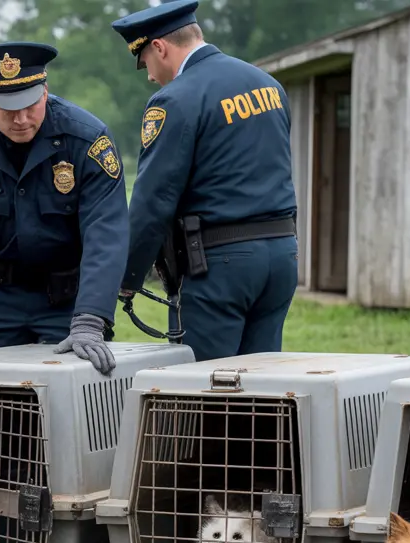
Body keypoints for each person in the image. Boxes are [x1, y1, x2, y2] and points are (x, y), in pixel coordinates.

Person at [0, 42, 127, 376]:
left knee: (73, 398)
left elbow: (106, 234)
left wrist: (91, 319)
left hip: (68, 302)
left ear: (45, 91)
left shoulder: (87, 141)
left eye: (30, 104)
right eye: (8, 108)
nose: (21, 118)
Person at [111, 1, 299, 362]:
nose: (150, 75)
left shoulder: (174, 99)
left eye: (145, 62)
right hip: (281, 256)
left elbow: (153, 201)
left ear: (159, 47)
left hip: (220, 267)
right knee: (261, 389)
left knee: (201, 397)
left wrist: (126, 279)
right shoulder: (268, 85)